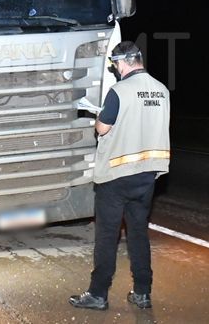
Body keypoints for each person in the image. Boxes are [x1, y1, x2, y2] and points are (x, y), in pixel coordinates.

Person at [69, 41, 171, 311]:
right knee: (138, 234)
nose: (115, 70)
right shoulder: (161, 90)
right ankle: (142, 292)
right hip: (147, 175)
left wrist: (97, 117)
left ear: (124, 61)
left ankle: (98, 294)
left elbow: (103, 128)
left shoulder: (120, 91)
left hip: (116, 175)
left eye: (115, 64)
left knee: (107, 237)